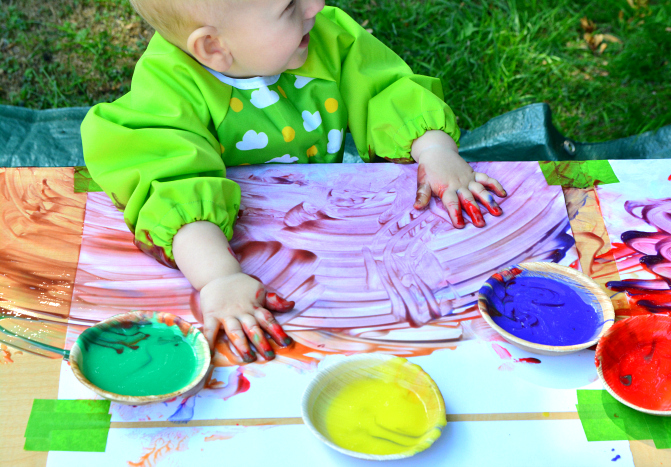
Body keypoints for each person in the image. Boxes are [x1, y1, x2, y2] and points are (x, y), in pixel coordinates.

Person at [81, 0, 507, 363]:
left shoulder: (326, 35)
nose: (316, 5)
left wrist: (434, 151)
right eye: (288, 6)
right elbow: (170, 184)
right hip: (254, 254)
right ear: (213, 46)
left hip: (337, 234)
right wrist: (217, 278)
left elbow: (386, 90)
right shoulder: (169, 92)